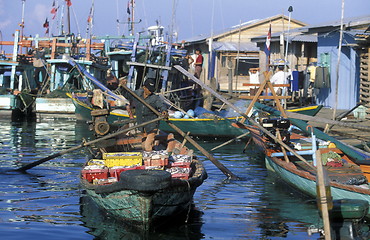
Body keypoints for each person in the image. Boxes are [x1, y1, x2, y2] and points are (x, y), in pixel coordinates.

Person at [118, 78, 168, 151]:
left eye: (152, 90)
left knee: (147, 145)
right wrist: (122, 87)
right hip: (142, 124)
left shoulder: (154, 98)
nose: (150, 92)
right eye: (149, 89)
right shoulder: (138, 93)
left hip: (152, 124)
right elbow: (127, 95)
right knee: (144, 145)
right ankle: (149, 156)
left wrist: (164, 111)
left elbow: (161, 105)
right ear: (144, 88)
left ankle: (150, 159)